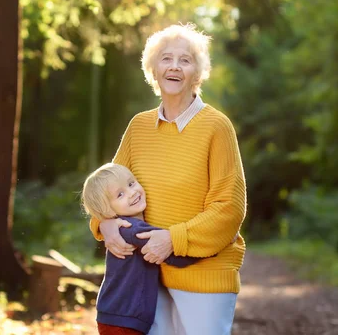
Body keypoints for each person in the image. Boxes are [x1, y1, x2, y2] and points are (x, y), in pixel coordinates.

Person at [89, 23, 247, 335]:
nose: (174, 66)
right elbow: (106, 189)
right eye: (166, 58)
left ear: (197, 73)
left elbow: (229, 209)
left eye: (185, 60)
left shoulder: (217, 127)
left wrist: (172, 239)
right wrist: (103, 224)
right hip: (145, 278)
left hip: (205, 278)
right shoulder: (139, 127)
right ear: (153, 69)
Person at [81, 163, 201, 335]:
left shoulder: (125, 227)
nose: (132, 193)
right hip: (123, 318)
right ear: (107, 210)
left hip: (115, 314)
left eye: (131, 183)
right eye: (120, 194)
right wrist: (211, 244)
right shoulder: (132, 229)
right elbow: (176, 256)